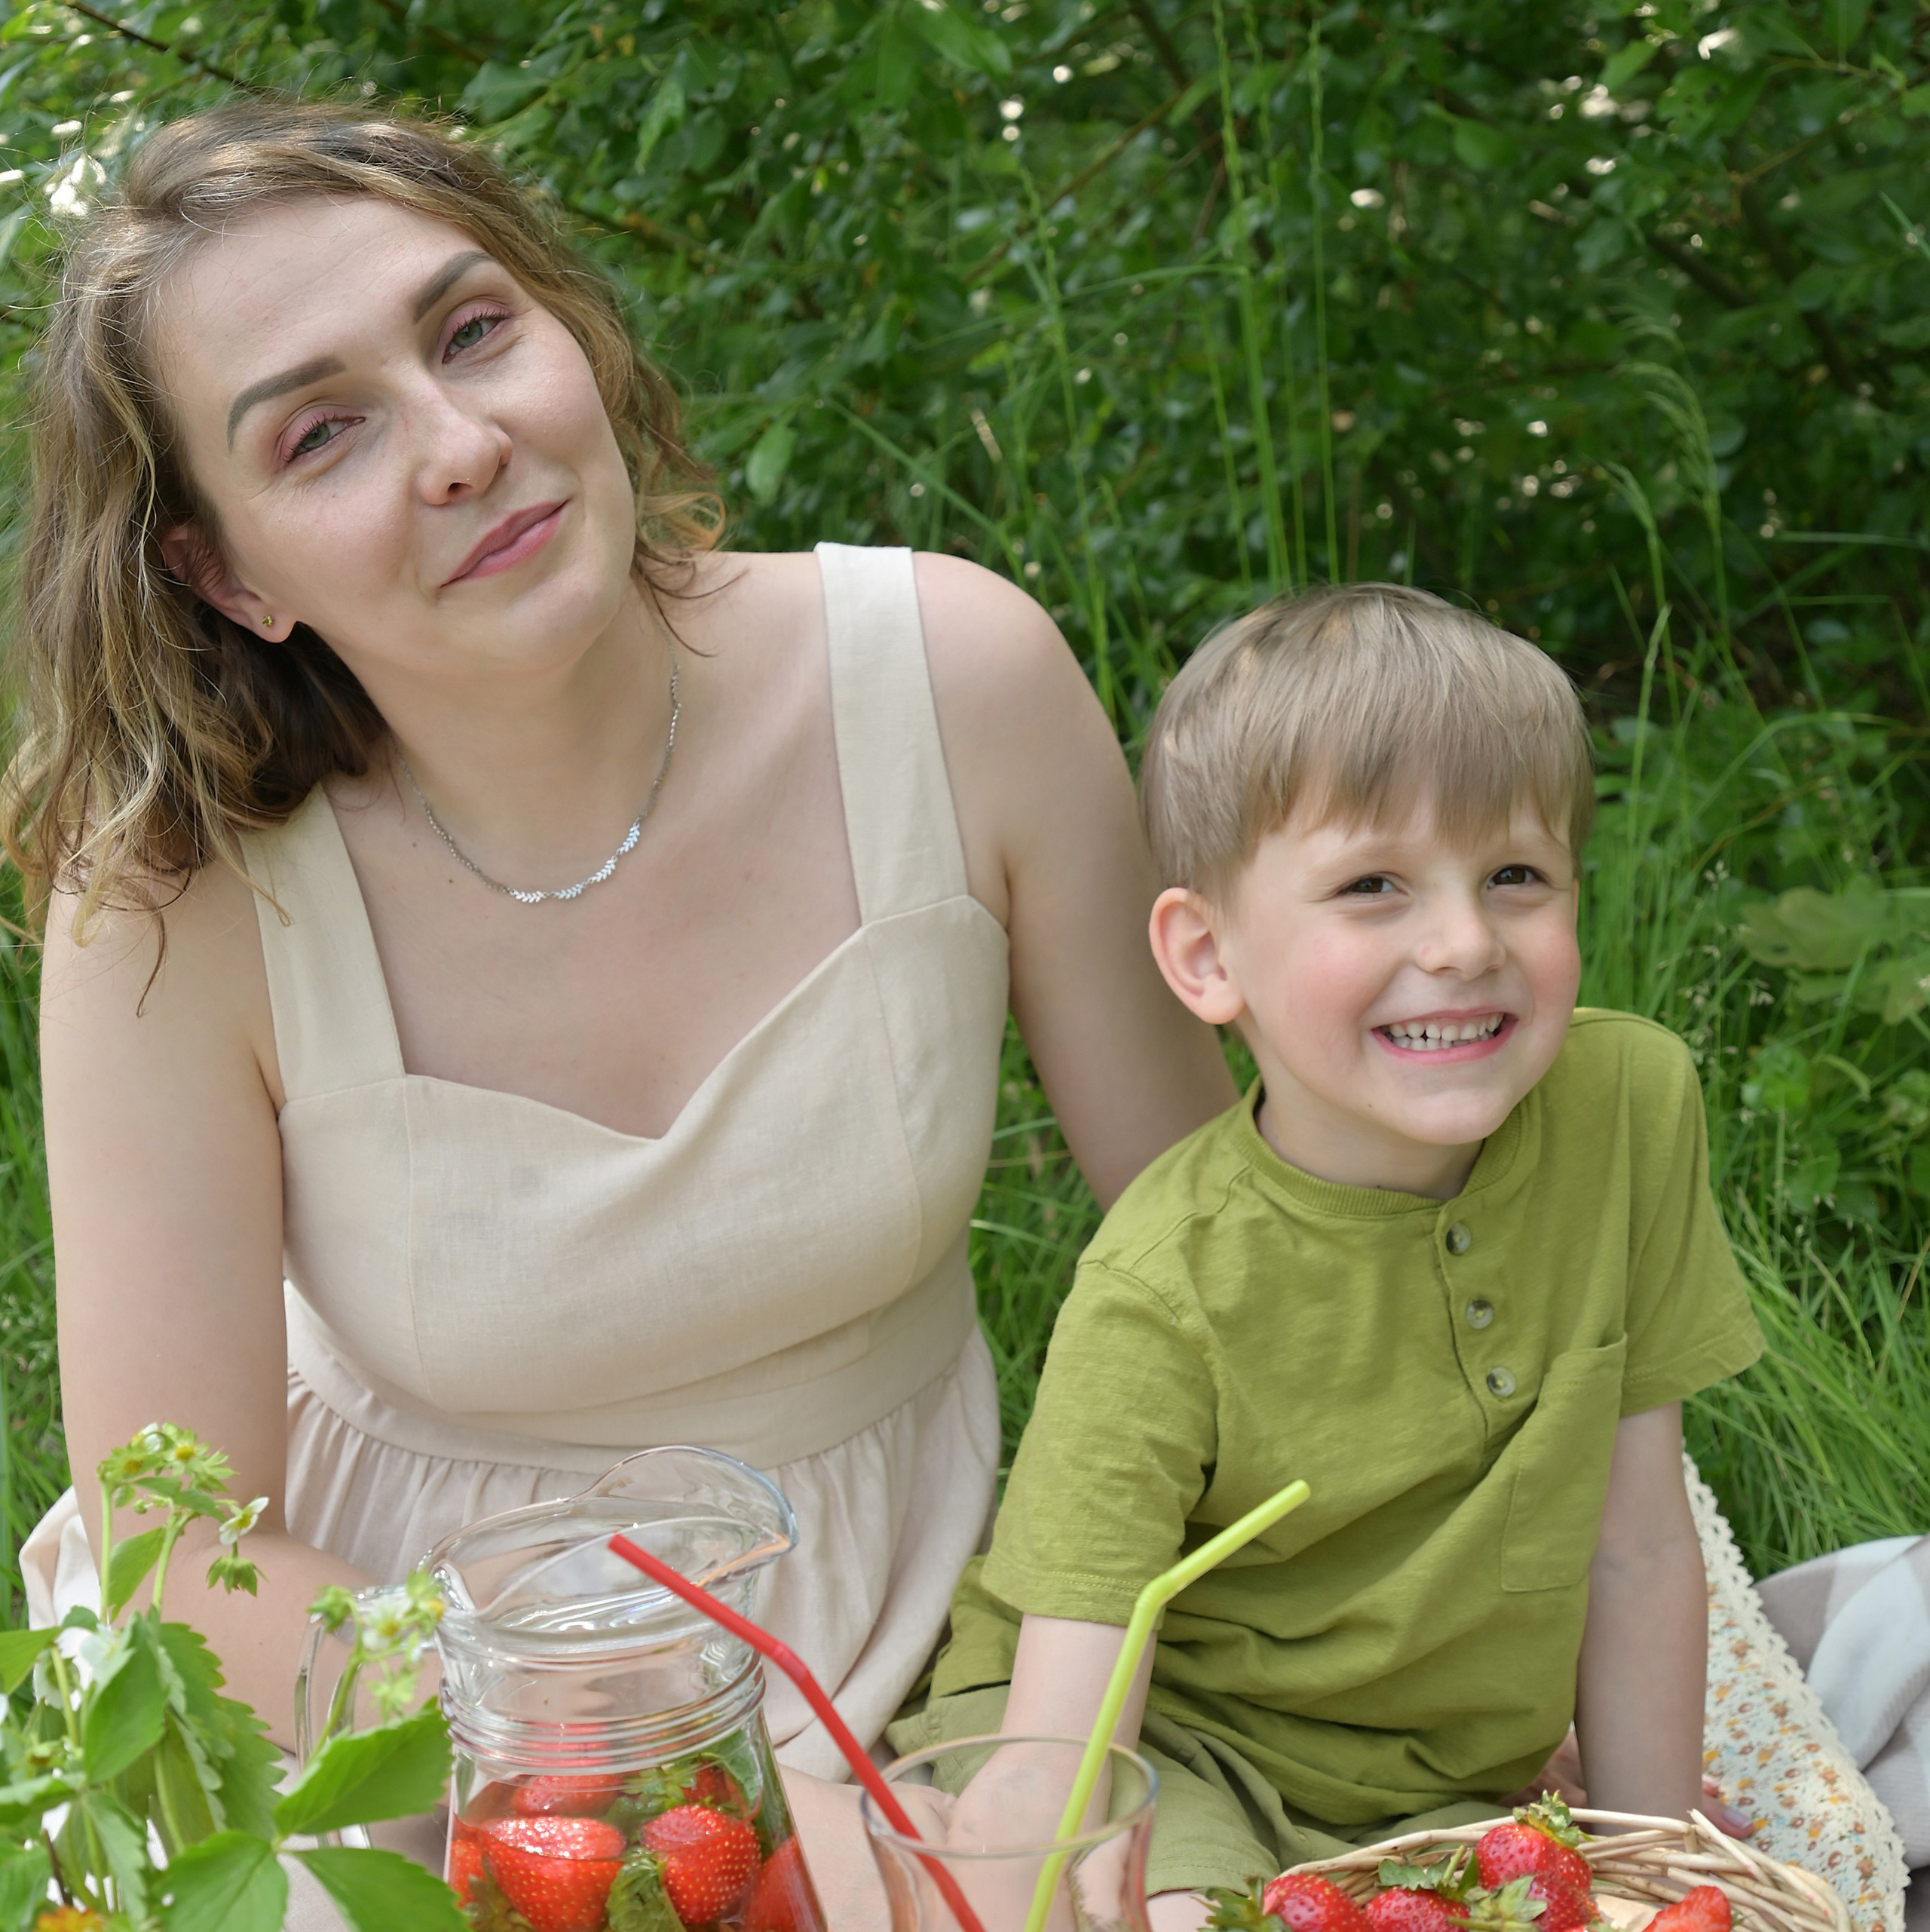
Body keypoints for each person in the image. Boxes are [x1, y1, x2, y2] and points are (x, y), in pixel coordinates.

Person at [9, 100, 1233, 1913]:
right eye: (323, 432)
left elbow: (1224, 1261)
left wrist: (1056, 1705)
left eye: (474, 330)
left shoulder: (952, 680)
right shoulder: (175, 911)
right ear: (228, 572)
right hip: (399, 1684)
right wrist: (619, 1755)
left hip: (930, 1608)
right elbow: (181, 1556)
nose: (461, 443)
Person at [893, 583, 1766, 1927]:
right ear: (1206, 954)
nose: (1466, 943)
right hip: (1178, 1741)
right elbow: (1075, 1718)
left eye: (1516, 875)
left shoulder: (1631, 1107)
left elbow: (1635, 1540)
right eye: (1373, 886)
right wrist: (1041, 1871)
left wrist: (1652, 1857)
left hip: (1437, 1778)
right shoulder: (1165, 1283)